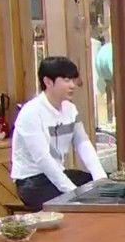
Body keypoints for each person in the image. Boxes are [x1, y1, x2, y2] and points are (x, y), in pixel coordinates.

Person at [11, 56, 108, 210]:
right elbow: (43, 158)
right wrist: (73, 192)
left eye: (72, 80)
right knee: (78, 204)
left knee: (103, 189)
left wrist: (101, 178)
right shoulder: (31, 112)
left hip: (59, 172)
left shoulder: (70, 109)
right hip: (32, 181)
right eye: (66, 80)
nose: (72, 85)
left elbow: (83, 143)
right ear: (48, 82)